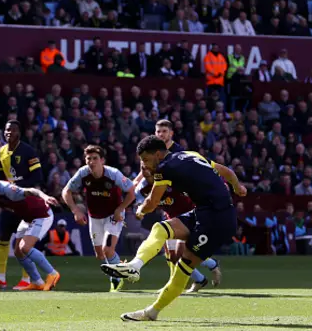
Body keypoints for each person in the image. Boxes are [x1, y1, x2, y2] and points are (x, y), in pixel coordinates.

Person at [101, 136, 246, 321]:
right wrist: (237, 187)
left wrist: (140, 211)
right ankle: (134, 267)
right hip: (204, 212)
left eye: (146, 159)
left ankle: (151, 312)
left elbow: (152, 202)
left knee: (182, 269)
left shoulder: (164, 168)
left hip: (218, 220)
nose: (145, 165)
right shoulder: (189, 154)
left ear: (159, 154)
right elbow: (226, 171)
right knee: (160, 228)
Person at [133, 120, 222, 293]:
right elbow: (146, 171)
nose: (161, 134)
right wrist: (137, 186)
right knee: (172, 256)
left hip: (188, 210)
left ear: (171, 133)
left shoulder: (178, 153)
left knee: (186, 250)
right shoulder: (151, 156)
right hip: (170, 212)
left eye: (164, 131)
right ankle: (197, 279)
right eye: (158, 131)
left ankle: (207, 267)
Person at [62, 145, 136, 292]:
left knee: (107, 249)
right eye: (88, 159)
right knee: (100, 254)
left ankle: (116, 278)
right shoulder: (83, 174)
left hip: (113, 215)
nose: (91, 162)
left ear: (102, 160)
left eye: (95, 158)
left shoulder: (113, 174)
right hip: (94, 216)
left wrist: (120, 209)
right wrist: (75, 210)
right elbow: (66, 191)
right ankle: (121, 267)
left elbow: (131, 191)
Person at [0, 168, 61, 291]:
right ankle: (37, 282)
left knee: (25, 248)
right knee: (18, 251)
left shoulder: (8, 189)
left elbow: (31, 190)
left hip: (42, 215)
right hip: (27, 218)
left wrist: (45, 196)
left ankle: (53, 273)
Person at [0, 120, 43, 289]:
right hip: (9, 201)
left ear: (19, 133)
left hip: (25, 201)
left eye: (13, 130)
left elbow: (37, 176)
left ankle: (26, 279)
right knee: (3, 237)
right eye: (6, 130)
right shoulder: (1, 151)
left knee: (24, 241)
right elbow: (2, 176)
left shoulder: (28, 151)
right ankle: (0, 278)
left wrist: (18, 187)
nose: (9, 133)